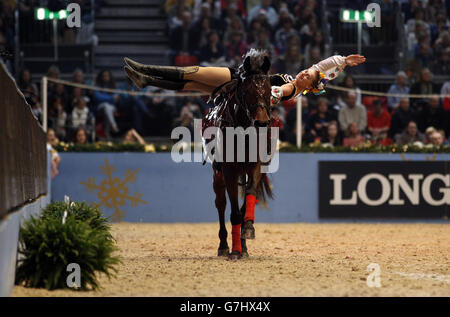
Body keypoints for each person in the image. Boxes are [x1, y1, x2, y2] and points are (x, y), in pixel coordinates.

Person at [124, 50, 366, 105]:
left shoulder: (292, 90)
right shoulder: (298, 81)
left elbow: (277, 93)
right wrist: (343, 61)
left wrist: (274, 93)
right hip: (236, 91)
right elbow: (320, 66)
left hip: (237, 80)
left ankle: (145, 68)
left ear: (310, 85)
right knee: (189, 83)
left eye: (307, 75)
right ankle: (146, 80)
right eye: (306, 70)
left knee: (192, 72)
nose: (305, 71)